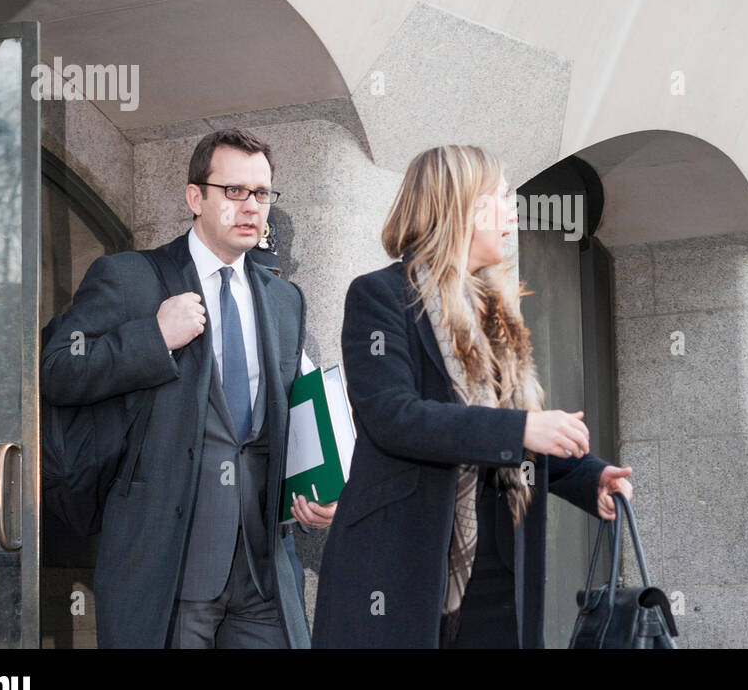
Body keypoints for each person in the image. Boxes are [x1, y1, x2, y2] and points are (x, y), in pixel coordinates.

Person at [307, 144, 633, 648]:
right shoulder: (380, 297)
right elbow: (394, 417)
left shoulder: (497, 312)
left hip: (499, 566)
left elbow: (521, 433)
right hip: (403, 565)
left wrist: (590, 478)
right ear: (462, 206)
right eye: (502, 198)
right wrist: (521, 429)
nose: (513, 213)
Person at [41, 127, 335, 648]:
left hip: (263, 572)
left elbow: (285, 418)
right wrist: (153, 337)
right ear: (195, 197)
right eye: (235, 191)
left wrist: (318, 490)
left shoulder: (285, 300)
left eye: (262, 193)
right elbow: (58, 368)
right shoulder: (129, 278)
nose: (251, 207)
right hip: (168, 569)